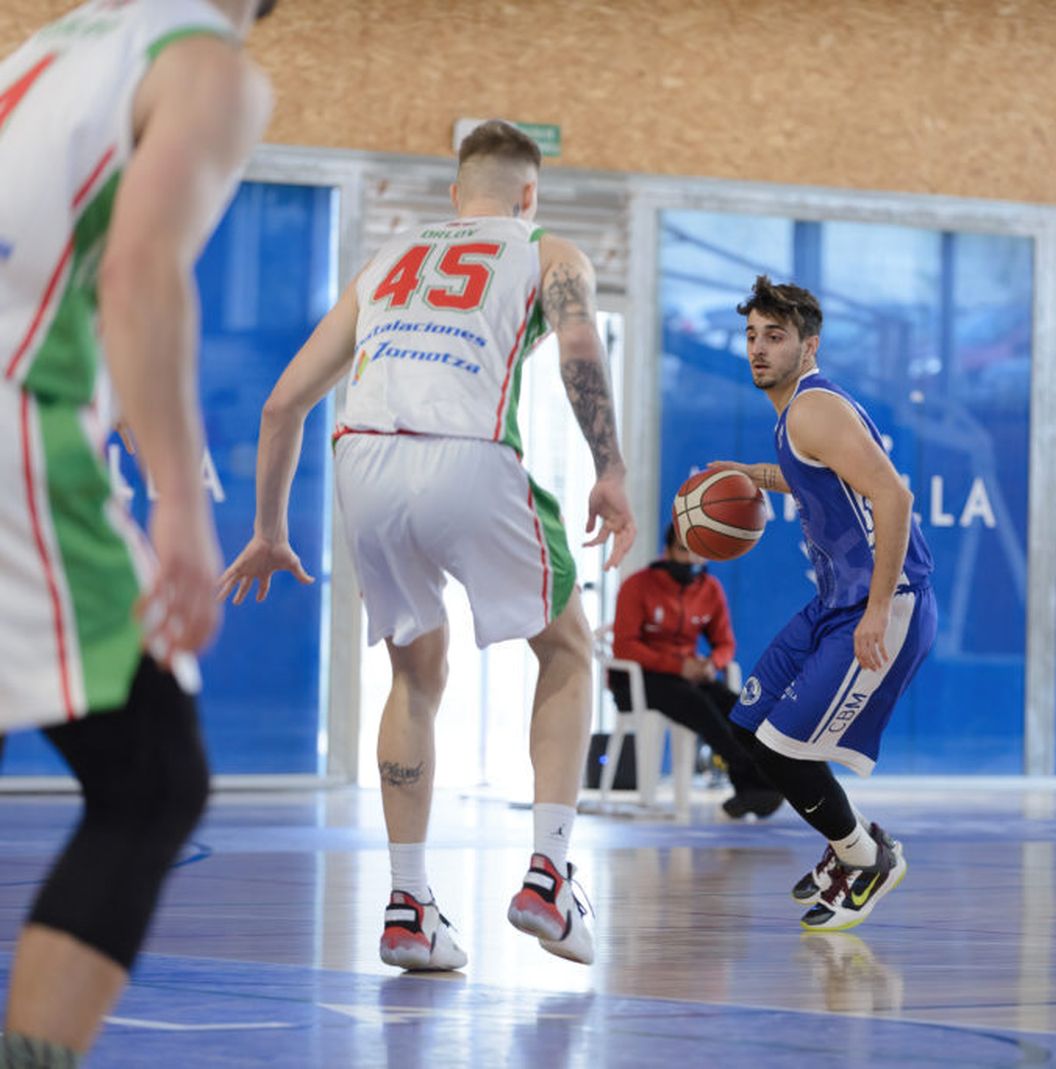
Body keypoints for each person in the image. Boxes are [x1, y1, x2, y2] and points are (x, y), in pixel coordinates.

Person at [217, 120, 635, 971]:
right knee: (565, 647)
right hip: (468, 454)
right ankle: (550, 875)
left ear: (455, 194)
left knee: (413, 670)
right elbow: (580, 346)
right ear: (528, 194)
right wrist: (610, 465)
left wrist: (268, 531)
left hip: (362, 456)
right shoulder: (550, 249)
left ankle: (409, 907)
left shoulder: (385, 262)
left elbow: (280, 405)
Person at [0, 1, 274, 1064]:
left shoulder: (51, 46)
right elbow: (139, 274)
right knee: (152, 774)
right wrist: (180, 504)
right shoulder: (206, 64)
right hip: (22, 420)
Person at [710, 276, 936, 931]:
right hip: (834, 602)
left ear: (809, 345)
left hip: (882, 604)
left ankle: (868, 858)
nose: (758, 349)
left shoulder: (812, 407)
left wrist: (875, 610)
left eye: (774, 337)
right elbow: (817, 478)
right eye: (751, 336)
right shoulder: (795, 417)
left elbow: (894, 498)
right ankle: (852, 847)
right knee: (746, 729)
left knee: (782, 749)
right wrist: (752, 474)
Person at [609, 523, 784, 818]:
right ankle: (753, 780)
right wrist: (678, 666)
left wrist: (711, 664)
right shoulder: (637, 585)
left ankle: (750, 788)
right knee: (700, 707)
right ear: (667, 551)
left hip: (688, 678)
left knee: (738, 707)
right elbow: (625, 647)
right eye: (682, 550)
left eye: (698, 552)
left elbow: (725, 643)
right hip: (638, 681)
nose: (690, 559)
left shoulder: (710, 589)